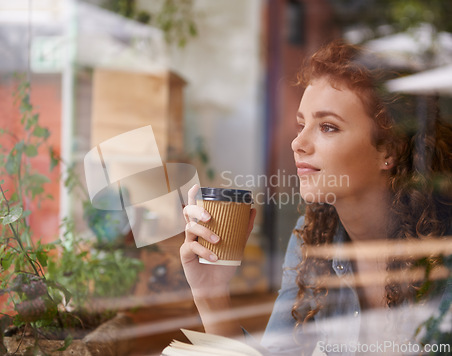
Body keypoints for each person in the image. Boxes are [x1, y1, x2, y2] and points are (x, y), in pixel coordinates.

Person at [181, 40, 452, 355]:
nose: (298, 142)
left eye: (327, 127)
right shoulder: (311, 239)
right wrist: (211, 295)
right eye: (301, 124)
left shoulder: (441, 254)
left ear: (388, 150)